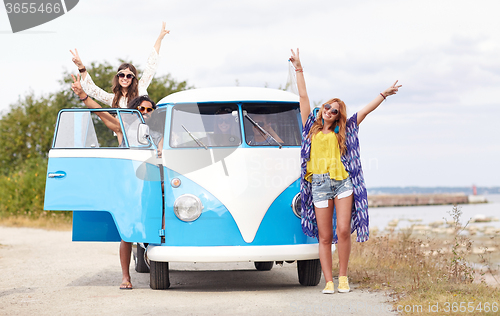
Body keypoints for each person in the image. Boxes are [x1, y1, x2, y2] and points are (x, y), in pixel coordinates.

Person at [289, 48, 401, 294]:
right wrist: (299, 68)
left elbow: (366, 111)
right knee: (324, 236)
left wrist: (384, 94)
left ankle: (343, 278)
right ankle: (328, 282)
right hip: (318, 184)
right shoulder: (310, 126)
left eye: (334, 110)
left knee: (342, 231)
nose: (329, 111)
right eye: (327, 106)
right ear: (322, 108)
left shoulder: (346, 129)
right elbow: (303, 95)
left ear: (339, 116)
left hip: (343, 184)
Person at [71, 74, 162, 290]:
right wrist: (83, 95)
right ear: (134, 111)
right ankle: (125, 277)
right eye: (142, 109)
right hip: (129, 187)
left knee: (158, 228)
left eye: (150, 110)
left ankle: (156, 262)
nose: (146, 113)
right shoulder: (123, 130)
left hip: (152, 188)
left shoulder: (159, 134)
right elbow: (101, 112)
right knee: (126, 233)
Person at [70, 22, 169, 108]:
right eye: (122, 75)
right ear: (117, 77)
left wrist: (160, 38)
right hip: (119, 130)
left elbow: (151, 66)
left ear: (133, 78)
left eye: (129, 75)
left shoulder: (140, 89)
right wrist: (81, 67)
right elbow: (93, 90)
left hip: (140, 129)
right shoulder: (113, 99)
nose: (125, 78)